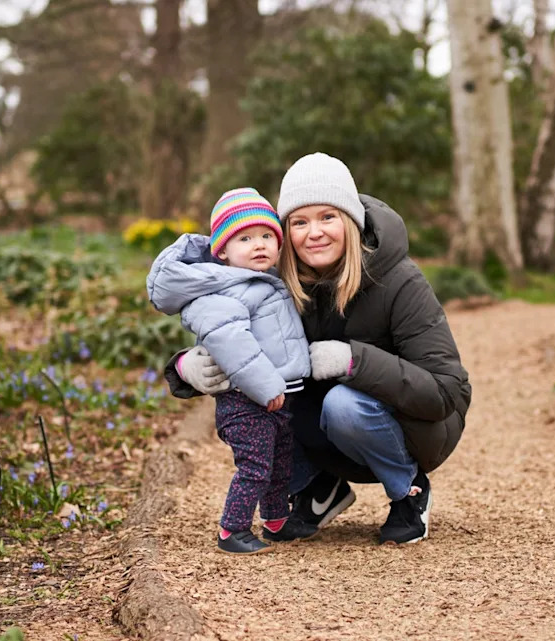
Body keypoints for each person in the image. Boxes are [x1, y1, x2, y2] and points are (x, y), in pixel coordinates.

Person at [166, 154, 471, 545]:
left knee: (343, 404)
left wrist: (352, 360)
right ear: (285, 231)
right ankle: (320, 485)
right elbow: (223, 330)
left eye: (328, 217)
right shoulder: (270, 280)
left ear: (350, 220)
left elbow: (445, 391)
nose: (315, 233)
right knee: (253, 394)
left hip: (413, 426)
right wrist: (186, 368)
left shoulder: (400, 281)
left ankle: (407, 490)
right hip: (325, 424)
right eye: (299, 222)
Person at [146, 187, 315, 555]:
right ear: (222, 251)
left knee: (279, 462)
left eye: (267, 236)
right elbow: (232, 343)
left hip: (275, 396)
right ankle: (232, 529)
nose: (259, 245)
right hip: (246, 400)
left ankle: (276, 520)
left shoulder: (262, 281)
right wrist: (266, 385)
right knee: (255, 466)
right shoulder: (220, 291)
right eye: (245, 238)